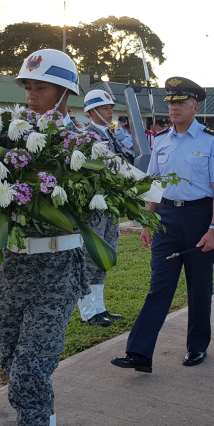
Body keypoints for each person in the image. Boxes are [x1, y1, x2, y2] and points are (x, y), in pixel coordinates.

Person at [0, 49, 87, 426]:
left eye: (40, 87)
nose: (30, 95)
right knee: (11, 361)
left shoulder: (86, 146)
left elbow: (96, 210)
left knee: (31, 367)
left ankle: (37, 423)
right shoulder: (6, 138)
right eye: (27, 86)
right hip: (11, 267)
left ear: (65, 93)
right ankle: (42, 417)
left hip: (56, 271)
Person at [111, 77, 214, 373]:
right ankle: (139, 353)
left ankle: (197, 346)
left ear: (195, 106)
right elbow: (156, 185)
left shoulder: (211, 141)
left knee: (198, 287)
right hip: (166, 219)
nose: (174, 107)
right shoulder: (162, 141)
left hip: (198, 218)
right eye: (171, 102)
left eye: (180, 102)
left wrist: (213, 228)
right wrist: (147, 223)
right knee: (159, 287)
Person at [76, 90, 125, 327]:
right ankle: (87, 310)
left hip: (111, 203)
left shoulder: (111, 135)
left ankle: (99, 306)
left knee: (106, 253)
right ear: (91, 112)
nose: (110, 112)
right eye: (105, 108)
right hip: (94, 205)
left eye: (110, 108)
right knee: (90, 256)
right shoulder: (85, 136)